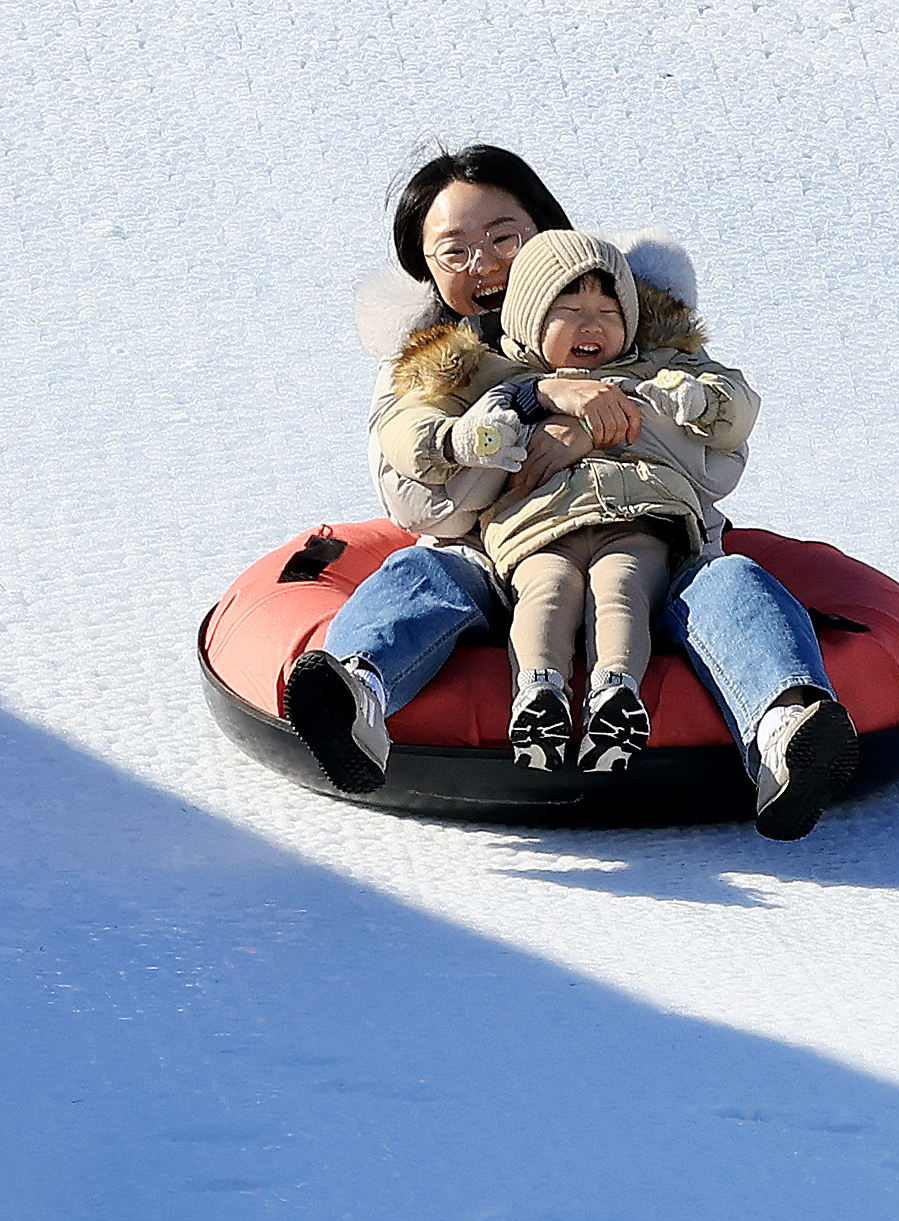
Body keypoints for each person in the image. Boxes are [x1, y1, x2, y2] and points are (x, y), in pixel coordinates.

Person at [284, 145, 858, 838]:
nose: (486, 264)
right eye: (454, 252)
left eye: (503, 238)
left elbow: (716, 462)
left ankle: (785, 729)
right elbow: (420, 502)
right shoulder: (430, 369)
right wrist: (528, 410)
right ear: (426, 271)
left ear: (543, 229)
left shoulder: (638, 326)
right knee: (421, 570)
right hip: (499, 560)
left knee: (731, 580)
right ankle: (356, 693)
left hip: (654, 542)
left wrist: (600, 422)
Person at [393, 228, 764, 774]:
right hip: (536, 525)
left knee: (624, 588)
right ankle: (539, 694)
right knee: (547, 590)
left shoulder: (653, 370)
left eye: (608, 311)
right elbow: (412, 431)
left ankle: (616, 694)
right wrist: (473, 434)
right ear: (527, 318)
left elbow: (738, 405)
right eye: (569, 308)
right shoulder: (502, 382)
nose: (591, 325)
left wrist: (699, 399)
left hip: (640, 517)